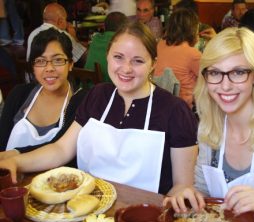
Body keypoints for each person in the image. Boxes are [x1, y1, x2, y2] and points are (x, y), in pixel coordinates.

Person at [0, 21, 198, 195]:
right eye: (118, 57)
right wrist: (17, 162)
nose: (126, 68)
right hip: (87, 211)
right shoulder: (97, 95)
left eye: (138, 60)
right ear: (108, 56)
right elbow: (61, 149)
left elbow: (182, 186)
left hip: (141, 218)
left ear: (153, 64)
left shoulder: (175, 111)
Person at [163, 27, 254, 222]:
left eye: (238, 72)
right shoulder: (209, 126)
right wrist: (188, 194)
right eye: (215, 72)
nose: (225, 86)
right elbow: (203, 191)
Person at [0, 28, 88, 167]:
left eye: (58, 60)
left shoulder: (81, 102)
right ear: (33, 67)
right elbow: (2, 145)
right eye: (40, 61)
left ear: (70, 64)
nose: (49, 68)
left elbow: (64, 151)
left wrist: (15, 154)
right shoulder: (19, 95)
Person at [154, 8, 201, 109]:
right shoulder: (192, 54)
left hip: (161, 102)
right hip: (184, 107)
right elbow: (209, 76)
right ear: (193, 29)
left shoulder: (161, 44)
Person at [26, 2, 87, 67]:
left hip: (33, 76)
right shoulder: (62, 35)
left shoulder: (33, 33)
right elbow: (84, 59)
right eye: (65, 20)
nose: (67, 23)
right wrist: (74, 37)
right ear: (60, 21)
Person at [84, 11, 128, 83]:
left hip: (87, 88)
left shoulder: (95, 39)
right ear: (125, 29)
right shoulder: (121, 42)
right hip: (107, 90)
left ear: (104, 26)